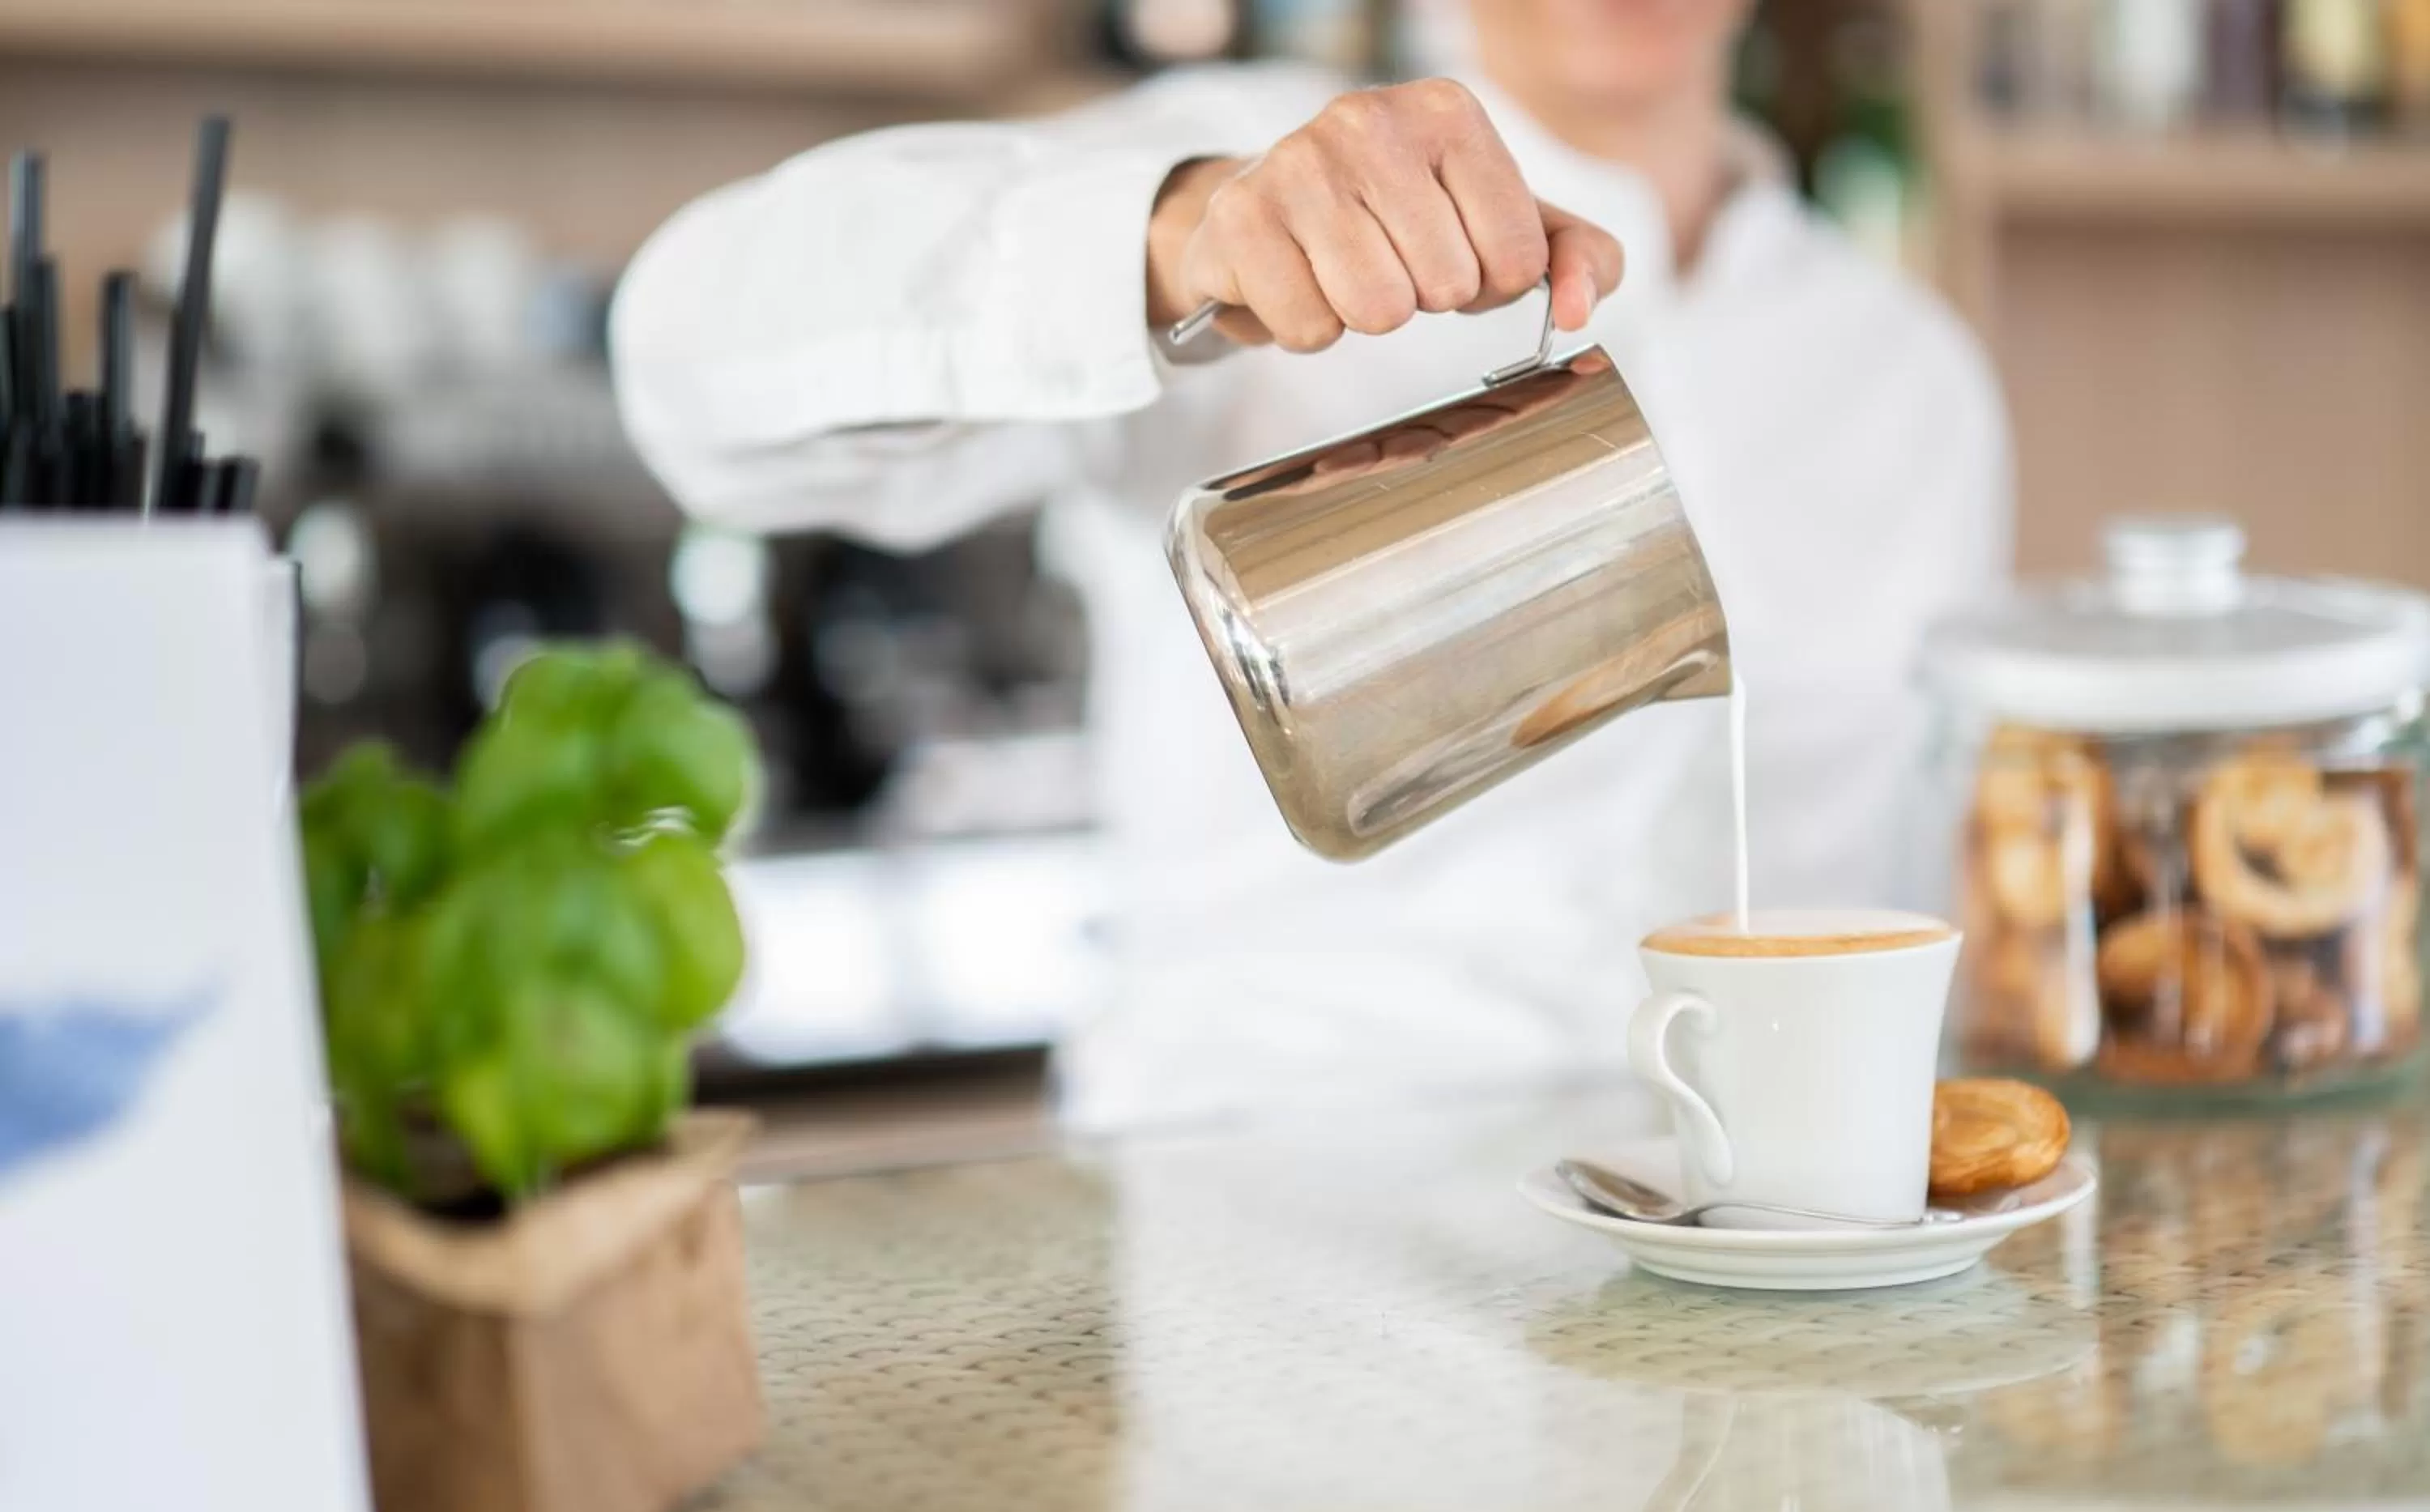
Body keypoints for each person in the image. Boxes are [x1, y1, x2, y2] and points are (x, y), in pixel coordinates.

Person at [611, 0, 2012, 1136]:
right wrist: (1173, 237)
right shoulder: (1254, 170)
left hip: (1752, 1235)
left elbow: (1936, 883)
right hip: (1284, 1205)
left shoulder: (1910, 377)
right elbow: (685, 360)